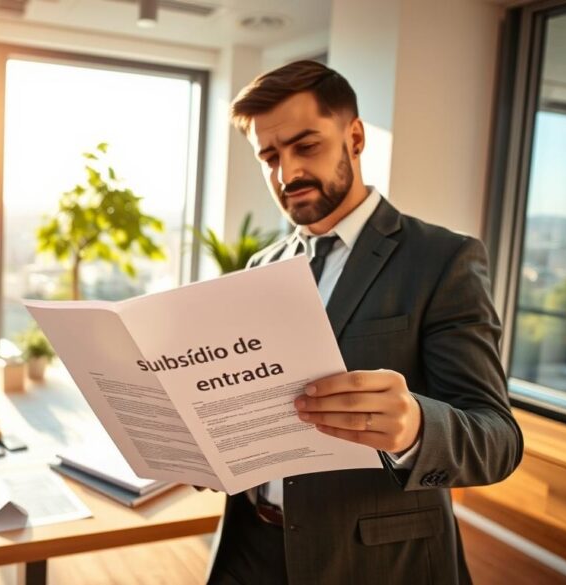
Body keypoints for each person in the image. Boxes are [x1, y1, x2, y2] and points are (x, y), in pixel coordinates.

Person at [204, 60, 523, 585]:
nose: (287, 174)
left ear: (354, 137)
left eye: (306, 146)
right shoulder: (261, 267)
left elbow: (498, 440)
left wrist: (415, 427)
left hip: (374, 562)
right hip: (251, 548)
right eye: (270, 157)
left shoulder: (443, 259)